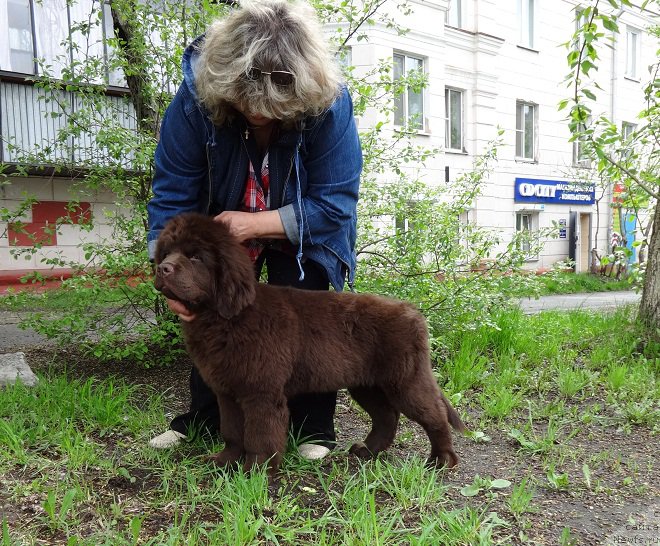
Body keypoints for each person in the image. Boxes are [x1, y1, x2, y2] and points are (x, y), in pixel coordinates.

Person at [146, 0, 362, 460]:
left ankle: (313, 429)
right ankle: (204, 422)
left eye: (276, 106)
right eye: (247, 102)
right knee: (214, 316)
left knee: (307, 310)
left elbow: (335, 204)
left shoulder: (330, 103)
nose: (259, 114)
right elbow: (171, 196)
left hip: (306, 230)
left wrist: (257, 224)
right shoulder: (192, 103)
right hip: (218, 231)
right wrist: (169, 277)